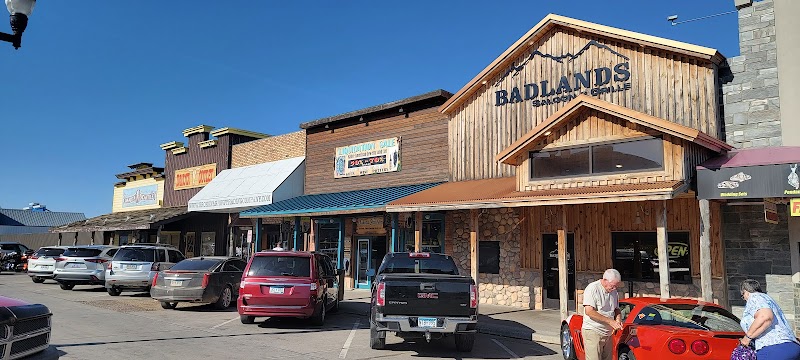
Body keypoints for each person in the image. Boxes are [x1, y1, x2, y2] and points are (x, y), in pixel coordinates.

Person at [738, 279, 800, 360]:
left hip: (774, 349)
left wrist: (747, 338)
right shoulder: (767, 298)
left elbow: (765, 317)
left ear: (746, 291)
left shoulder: (755, 297)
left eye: (743, 295)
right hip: (790, 347)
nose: (745, 299)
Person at [581, 269, 623, 360]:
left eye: (616, 286)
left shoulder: (614, 292)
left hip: (608, 333)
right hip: (593, 330)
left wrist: (618, 319)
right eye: (612, 286)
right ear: (605, 280)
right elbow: (589, 311)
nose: (614, 289)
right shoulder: (592, 288)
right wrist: (610, 321)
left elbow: (616, 309)